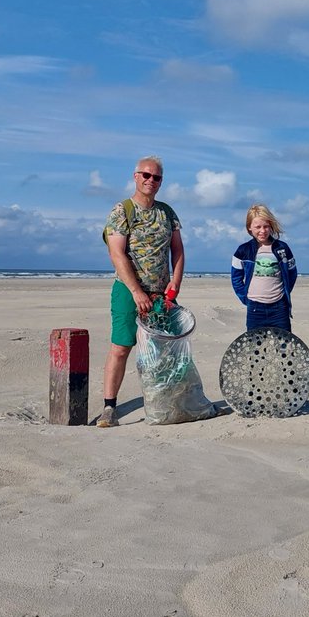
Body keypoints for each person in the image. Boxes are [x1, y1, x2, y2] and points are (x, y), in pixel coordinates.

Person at [99, 156, 184, 428]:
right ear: (135, 176)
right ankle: (109, 408)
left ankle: (166, 402)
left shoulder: (167, 212)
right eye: (145, 175)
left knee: (163, 350)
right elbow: (117, 254)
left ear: (161, 182)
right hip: (127, 290)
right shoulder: (121, 210)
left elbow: (178, 250)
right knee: (121, 347)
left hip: (160, 293)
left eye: (156, 177)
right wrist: (136, 291)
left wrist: (175, 284)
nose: (150, 180)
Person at [230, 204, 297, 332]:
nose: (262, 231)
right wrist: (246, 298)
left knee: (284, 345)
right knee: (254, 346)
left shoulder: (282, 248)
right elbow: (236, 278)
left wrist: (284, 293)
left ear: (271, 226)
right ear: (249, 227)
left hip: (279, 308)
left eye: (266, 226)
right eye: (258, 227)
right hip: (255, 308)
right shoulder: (242, 251)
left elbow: (292, 273)